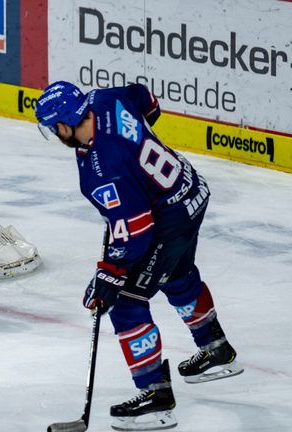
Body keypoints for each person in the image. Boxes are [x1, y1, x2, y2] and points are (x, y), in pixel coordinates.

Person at [35, 81, 243, 431]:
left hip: (168, 219)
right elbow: (145, 98)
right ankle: (216, 349)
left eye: (52, 127)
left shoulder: (104, 169)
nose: (54, 134)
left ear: (64, 124)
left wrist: (109, 274)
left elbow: (138, 234)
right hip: (190, 189)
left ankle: (155, 397)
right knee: (176, 273)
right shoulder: (105, 98)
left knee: (128, 302)